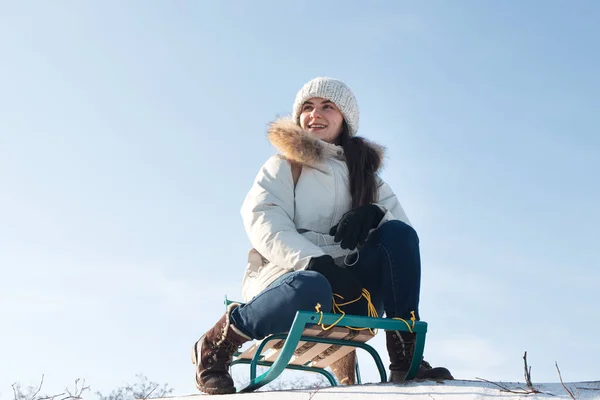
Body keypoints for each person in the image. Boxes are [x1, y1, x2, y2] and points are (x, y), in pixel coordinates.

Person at [191, 77, 453, 395]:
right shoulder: (284, 166)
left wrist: (375, 215)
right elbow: (264, 220)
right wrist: (315, 261)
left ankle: (406, 356)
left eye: (327, 107)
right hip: (292, 280)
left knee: (397, 234)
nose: (316, 114)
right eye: (308, 107)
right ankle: (217, 345)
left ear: (345, 119)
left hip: (352, 292)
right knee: (312, 283)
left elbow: (405, 242)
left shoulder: (367, 180)